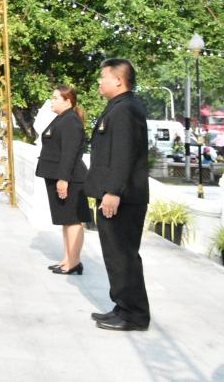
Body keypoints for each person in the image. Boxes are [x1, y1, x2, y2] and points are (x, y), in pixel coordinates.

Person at [86, 58, 150, 331]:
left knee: (123, 256)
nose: (99, 82)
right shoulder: (119, 106)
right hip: (116, 194)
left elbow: (123, 155)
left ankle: (134, 315)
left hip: (122, 197)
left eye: (103, 77)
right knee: (115, 256)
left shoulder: (125, 110)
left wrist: (113, 191)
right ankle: (123, 307)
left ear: (118, 80)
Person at [35, 85, 90, 275]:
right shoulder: (63, 118)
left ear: (68, 101)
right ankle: (67, 259)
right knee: (66, 220)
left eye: (56, 98)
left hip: (70, 179)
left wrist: (63, 179)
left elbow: (69, 153)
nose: (52, 101)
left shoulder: (70, 121)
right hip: (60, 176)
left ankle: (74, 262)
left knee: (73, 220)